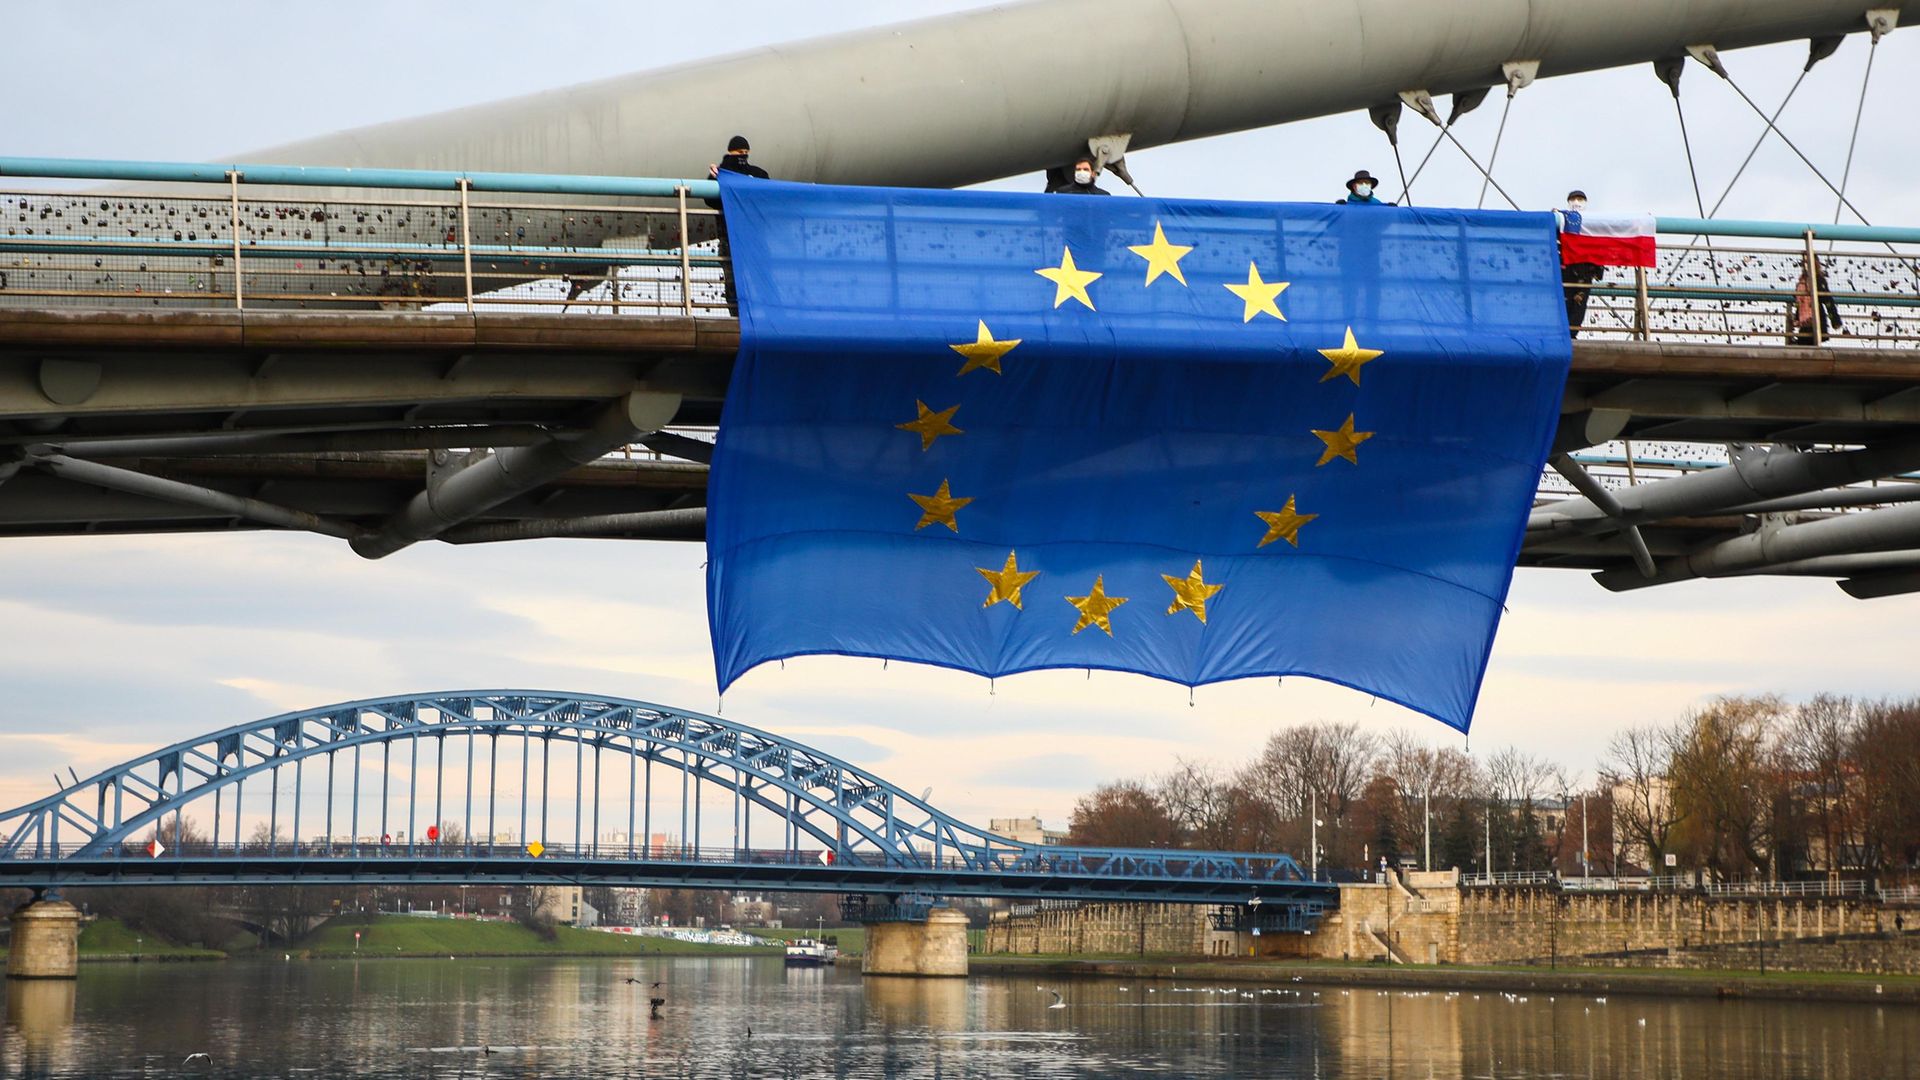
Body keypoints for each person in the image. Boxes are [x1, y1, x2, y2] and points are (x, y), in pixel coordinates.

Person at [706, 136, 769, 315]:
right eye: (740, 153)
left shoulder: (725, 173)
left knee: (738, 277)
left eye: (746, 153)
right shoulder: (724, 173)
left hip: (734, 237)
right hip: (742, 237)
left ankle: (739, 313)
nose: (743, 156)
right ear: (731, 152)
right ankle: (746, 313)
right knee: (749, 277)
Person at [1560, 190, 1604, 338]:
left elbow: (1599, 244)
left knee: (1579, 304)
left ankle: (1571, 333)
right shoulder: (1562, 219)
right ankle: (1566, 332)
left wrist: (1598, 268)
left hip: (1585, 270)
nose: (1576, 202)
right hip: (1567, 269)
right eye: (1573, 199)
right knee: (1565, 300)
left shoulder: (1592, 223)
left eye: (1580, 199)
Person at [1789, 255, 1843, 345]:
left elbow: (1827, 300)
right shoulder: (1806, 280)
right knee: (1808, 344)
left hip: (1813, 318)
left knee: (1807, 343)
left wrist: (1835, 320)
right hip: (1808, 319)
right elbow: (1827, 300)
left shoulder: (1813, 280)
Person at [1046, 156, 1110, 195]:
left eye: (1085, 169)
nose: (1081, 172)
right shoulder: (1062, 192)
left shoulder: (1103, 195)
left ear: (1093, 174)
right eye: (1078, 169)